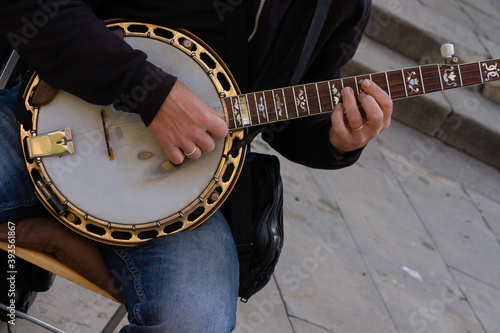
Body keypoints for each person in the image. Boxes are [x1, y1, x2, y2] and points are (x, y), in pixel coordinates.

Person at [0, 0, 392, 331]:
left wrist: (336, 140)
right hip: (51, 121)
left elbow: (295, 111)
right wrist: (149, 92)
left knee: (192, 321)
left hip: (181, 198)